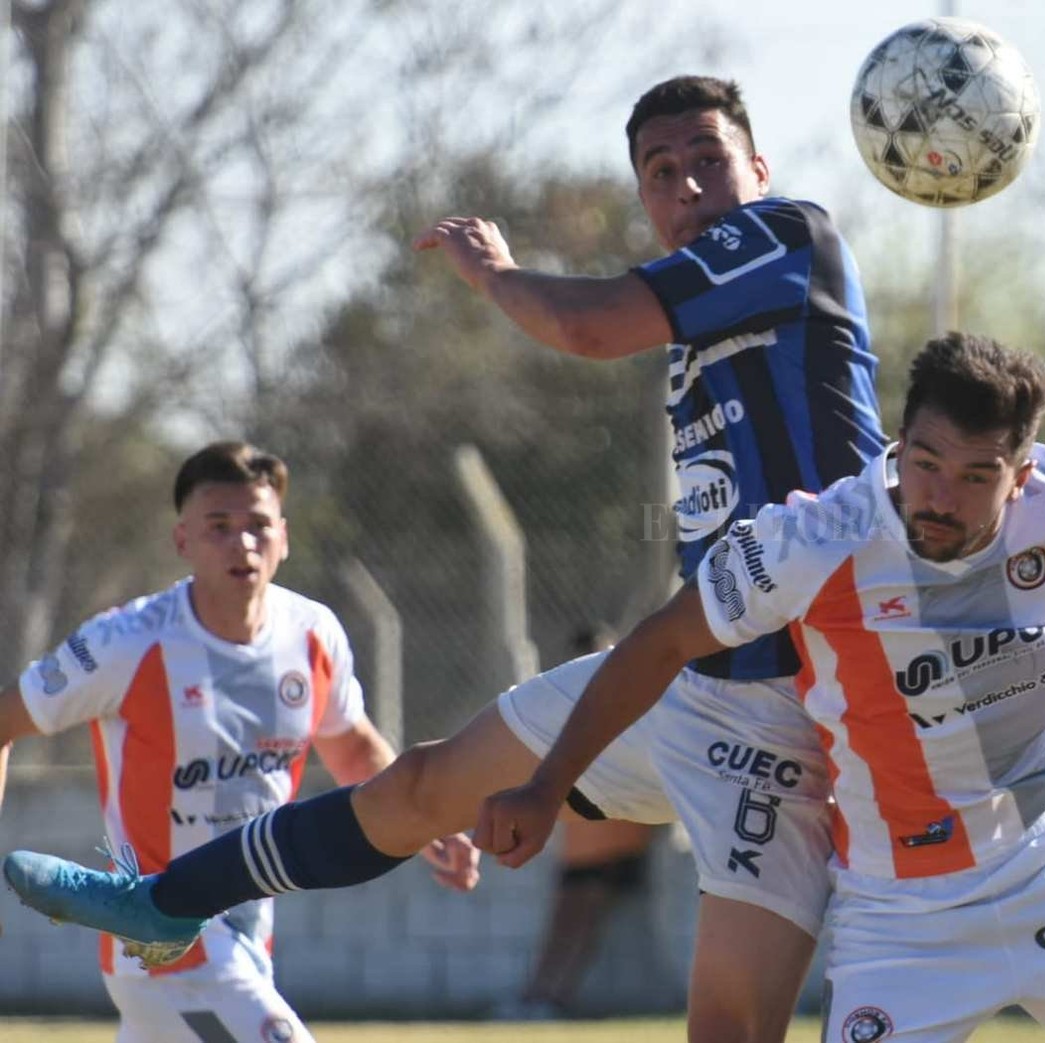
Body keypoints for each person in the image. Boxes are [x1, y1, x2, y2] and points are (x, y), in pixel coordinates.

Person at [6, 76, 884, 1043]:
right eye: (660, 171)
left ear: (756, 169)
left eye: (708, 159)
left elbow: (586, 326)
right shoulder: (697, 333)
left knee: (727, 1030)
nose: (685, 185)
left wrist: (496, 274)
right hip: (694, 676)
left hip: (800, 704)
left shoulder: (786, 235)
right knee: (426, 785)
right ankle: (164, 901)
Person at [464, 332, 1045, 1043]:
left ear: (1019, 472)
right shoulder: (816, 540)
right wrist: (548, 786)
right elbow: (659, 642)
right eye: (926, 462)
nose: (940, 494)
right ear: (899, 443)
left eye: (975, 476)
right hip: (902, 916)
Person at [0, 441, 479, 1043]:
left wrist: (423, 821)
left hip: (247, 937)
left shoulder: (313, 633)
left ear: (284, 536)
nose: (242, 544)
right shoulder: (126, 642)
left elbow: (352, 746)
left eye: (257, 526)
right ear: (183, 541)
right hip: (163, 944)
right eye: (219, 527)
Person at [493, 626, 663, 1021]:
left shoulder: (632, 704)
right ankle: (539, 995)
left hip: (615, 848)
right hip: (579, 851)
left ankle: (550, 997)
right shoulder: (565, 711)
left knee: (577, 925)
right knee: (564, 926)